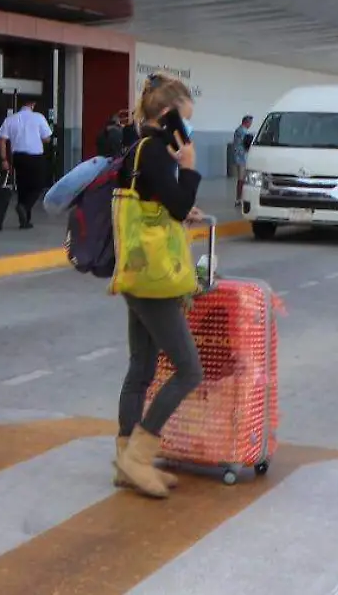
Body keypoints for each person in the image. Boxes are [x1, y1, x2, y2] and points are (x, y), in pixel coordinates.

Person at [112, 75, 206, 499]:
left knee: (141, 370)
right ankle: (137, 457)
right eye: (183, 123)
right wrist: (189, 168)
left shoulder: (138, 147)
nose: (185, 133)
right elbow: (179, 203)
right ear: (168, 117)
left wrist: (178, 199)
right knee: (188, 369)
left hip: (136, 270)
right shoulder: (155, 152)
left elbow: (161, 204)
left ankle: (124, 460)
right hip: (155, 278)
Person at [0, 96, 55, 229]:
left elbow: (2, 140)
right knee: (38, 185)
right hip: (35, 157)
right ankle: (24, 206)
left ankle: (25, 221)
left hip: (18, 157)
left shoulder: (10, 119)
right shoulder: (39, 117)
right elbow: (47, 138)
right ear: (33, 104)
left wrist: (3, 159)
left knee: (22, 187)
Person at [232, 114, 255, 201]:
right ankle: (239, 198)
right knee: (241, 179)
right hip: (241, 158)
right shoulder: (242, 131)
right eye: (250, 123)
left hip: (240, 157)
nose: (250, 125)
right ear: (246, 122)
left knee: (242, 179)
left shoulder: (239, 130)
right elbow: (247, 144)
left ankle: (240, 197)